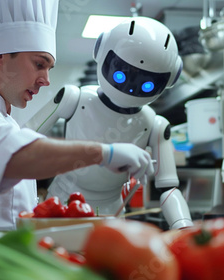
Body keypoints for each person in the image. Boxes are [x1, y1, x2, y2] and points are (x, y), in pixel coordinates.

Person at [0, 0, 154, 230]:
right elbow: (15, 158)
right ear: (0, 56)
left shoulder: (5, 120)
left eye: (48, 69)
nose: (46, 80)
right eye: (39, 64)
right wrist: (104, 153)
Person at [24, 16, 193, 229]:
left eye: (146, 83)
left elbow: (168, 186)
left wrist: (183, 225)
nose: (131, 86)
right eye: (122, 75)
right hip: (62, 204)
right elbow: (23, 139)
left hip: (113, 213)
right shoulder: (74, 98)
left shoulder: (154, 125)